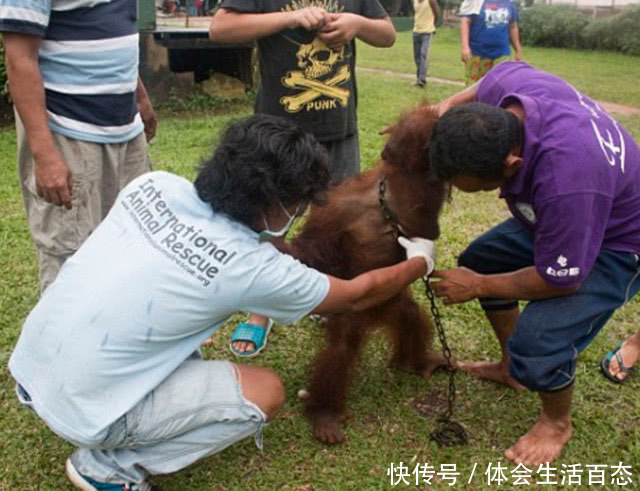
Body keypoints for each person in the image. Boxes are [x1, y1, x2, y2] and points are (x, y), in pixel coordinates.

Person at [9, 115, 436, 490]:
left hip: (31, 366)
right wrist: (419, 261)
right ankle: (110, 467)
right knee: (265, 392)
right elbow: (358, 295)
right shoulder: (254, 267)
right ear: (277, 204)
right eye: (299, 204)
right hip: (84, 409)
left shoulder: (155, 186)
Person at [428, 61, 640, 466]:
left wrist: (478, 286)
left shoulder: (566, 182)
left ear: (511, 167)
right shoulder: (513, 91)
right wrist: (439, 111)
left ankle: (556, 422)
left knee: (539, 341)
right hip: (575, 212)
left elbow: (561, 282)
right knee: (482, 259)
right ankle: (510, 368)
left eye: (477, 187)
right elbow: (490, 78)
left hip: (619, 239)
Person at [209, 1, 396, 357]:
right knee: (267, 222)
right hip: (279, 135)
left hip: (339, 130)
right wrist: (291, 18)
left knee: (339, 222)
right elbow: (220, 28)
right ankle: (261, 310)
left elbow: (386, 34)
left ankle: (324, 295)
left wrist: (357, 23)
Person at [0, 0, 156, 293]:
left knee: (133, 243)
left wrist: (139, 96)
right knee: (71, 261)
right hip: (68, 132)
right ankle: (67, 339)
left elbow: (112, 26)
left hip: (125, 130)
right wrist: (45, 156)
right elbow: (19, 59)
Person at [458, 0, 522, 86]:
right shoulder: (475, 2)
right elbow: (465, 21)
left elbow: (513, 27)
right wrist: (465, 47)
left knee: (499, 86)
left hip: (502, 53)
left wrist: (518, 49)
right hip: (477, 53)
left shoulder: (509, 2)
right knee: (474, 87)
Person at [412, 0, 439, 88]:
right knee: (417, 56)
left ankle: (422, 80)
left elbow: (437, 14)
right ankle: (418, 79)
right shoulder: (415, 1)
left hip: (427, 32)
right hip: (416, 31)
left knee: (423, 54)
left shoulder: (431, 1)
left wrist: (432, 26)